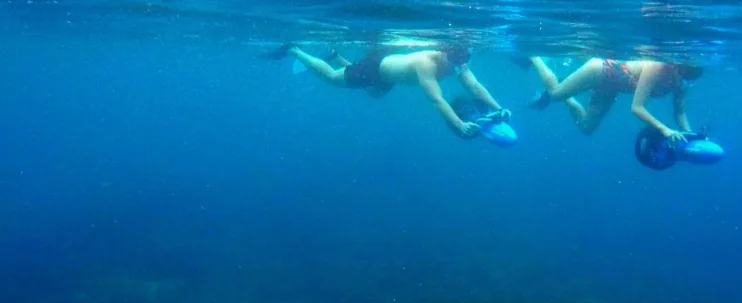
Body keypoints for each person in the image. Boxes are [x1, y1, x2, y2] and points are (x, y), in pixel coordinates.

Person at [266, 42, 510, 139]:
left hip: (390, 77)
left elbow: (476, 86)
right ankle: (294, 50)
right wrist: (458, 124)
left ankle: (337, 56)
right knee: (331, 78)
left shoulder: (459, 63)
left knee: (373, 94)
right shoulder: (425, 64)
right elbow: (436, 99)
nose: (457, 63)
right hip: (376, 68)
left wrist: (499, 109)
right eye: (454, 58)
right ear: (444, 52)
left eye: (462, 58)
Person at [522, 56, 702, 141]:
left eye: (691, 78)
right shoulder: (657, 67)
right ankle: (534, 57)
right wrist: (664, 130)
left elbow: (680, 113)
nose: (685, 81)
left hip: (612, 87)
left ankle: (569, 98)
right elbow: (637, 107)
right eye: (685, 74)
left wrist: (692, 136)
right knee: (554, 94)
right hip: (600, 70)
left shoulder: (682, 82)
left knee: (586, 127)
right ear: (678, 65)